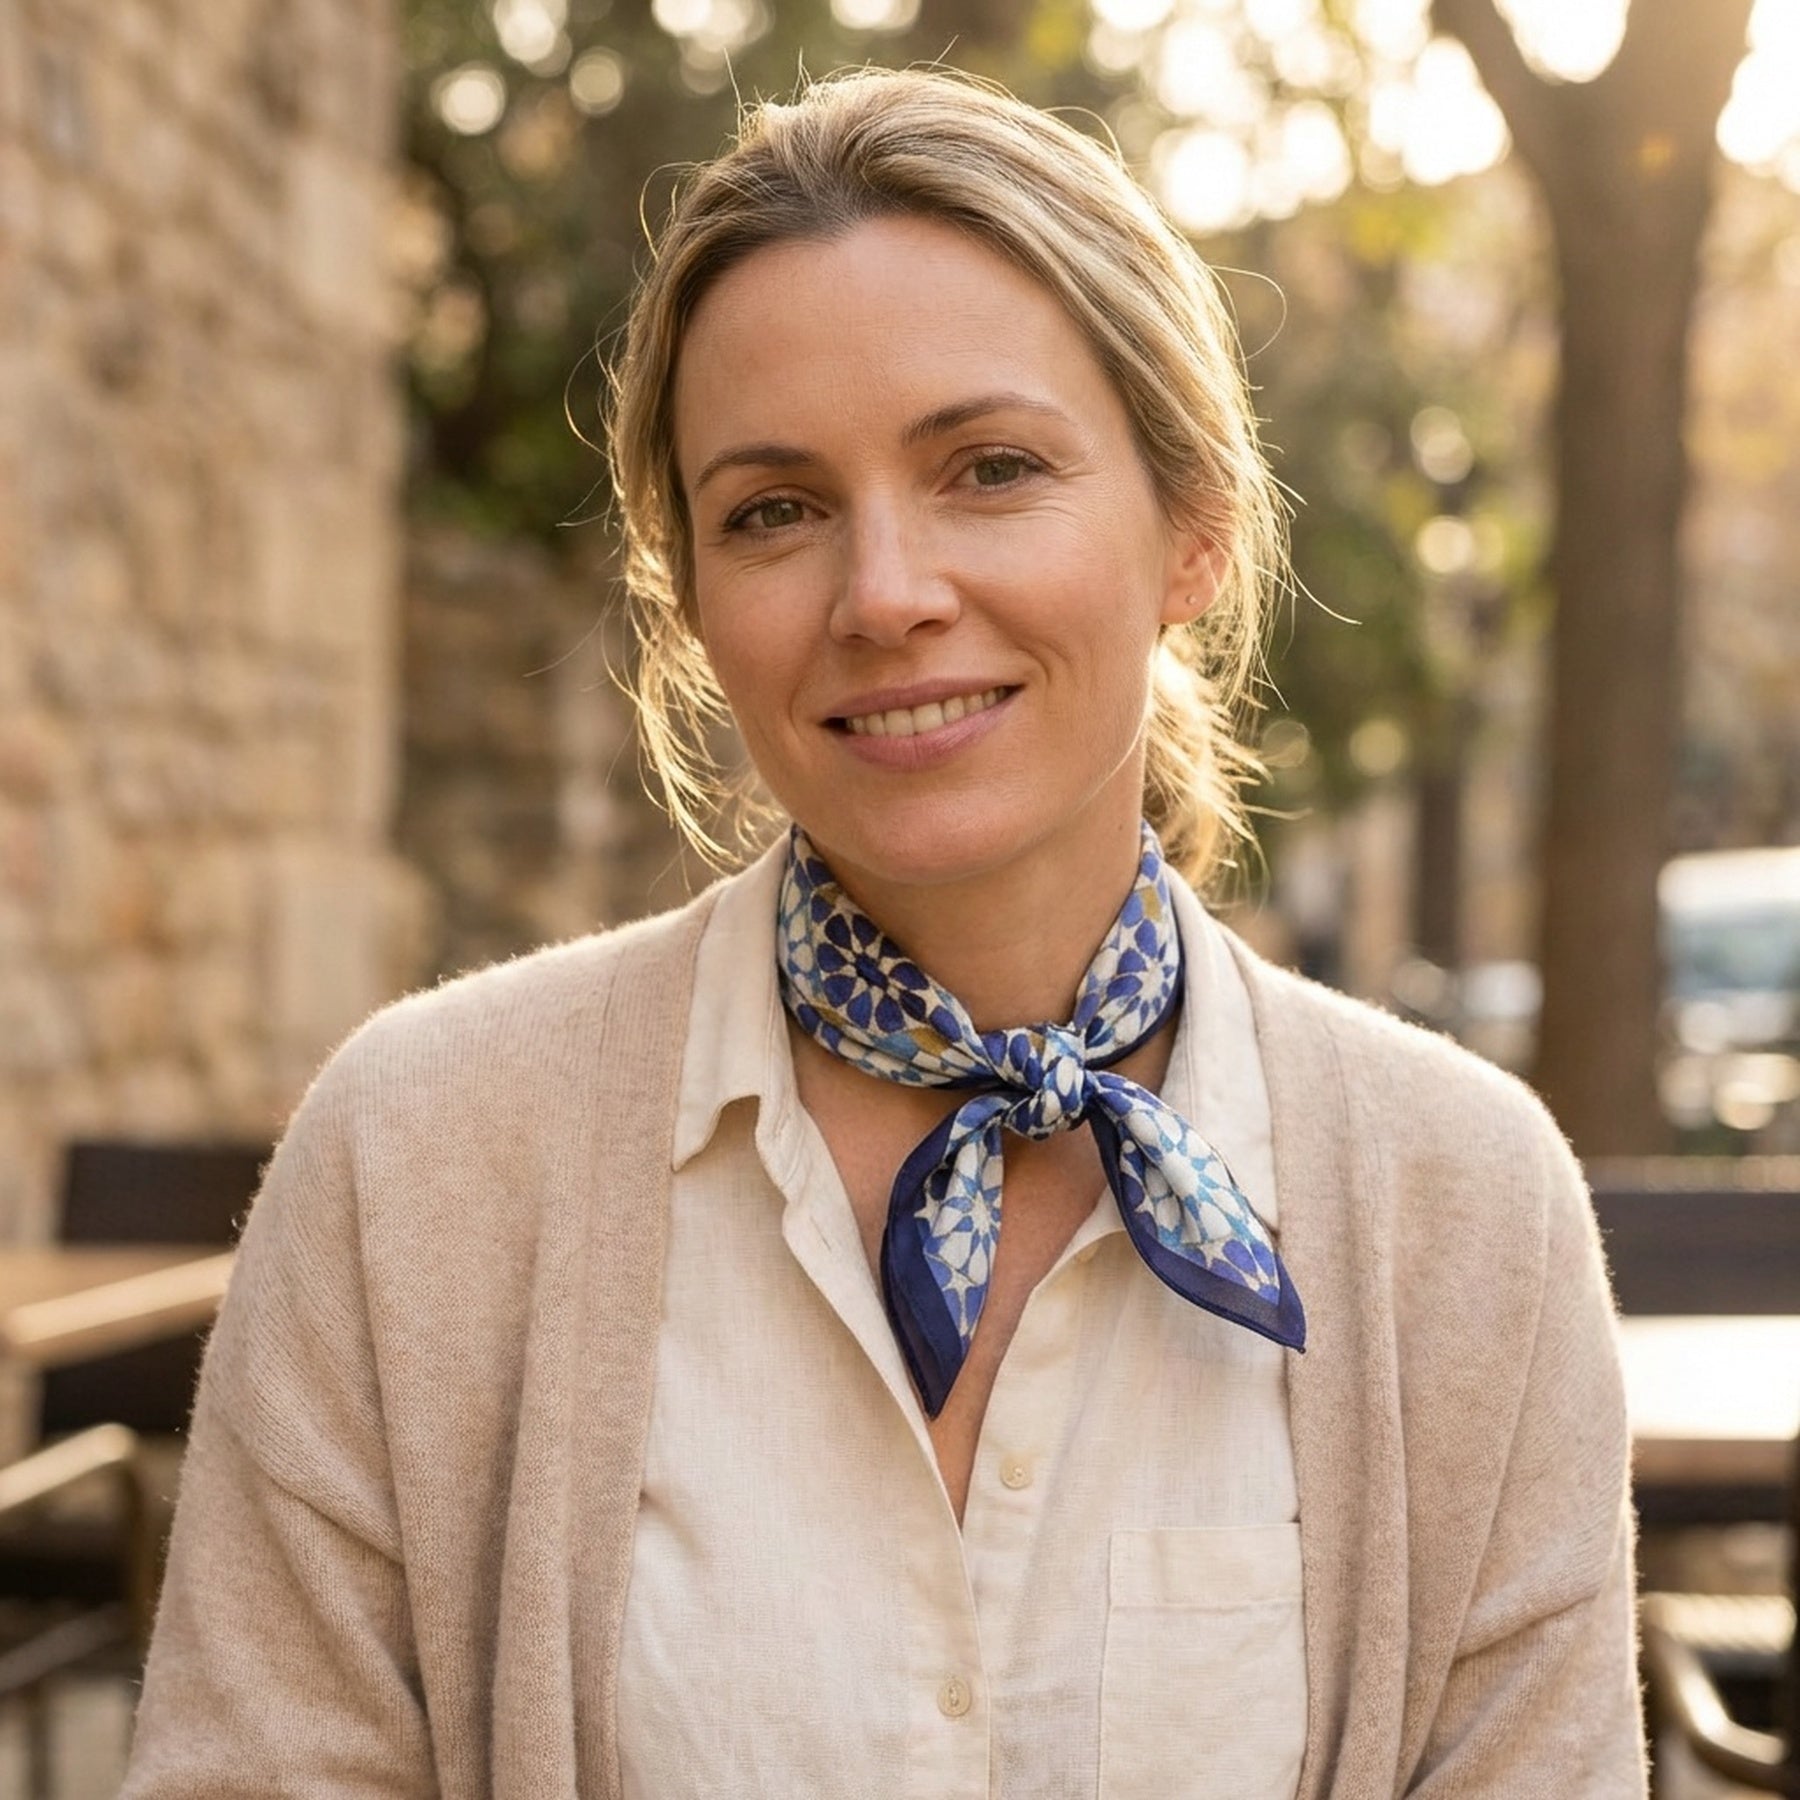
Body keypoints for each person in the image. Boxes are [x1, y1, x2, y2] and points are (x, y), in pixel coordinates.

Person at [123, 65, 1646, 1799]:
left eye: (990, 469)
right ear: (692, 601)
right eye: (774, 509)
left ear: (1194, 529)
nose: (886, 594)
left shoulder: (1465, 1211)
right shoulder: (415, 1168)